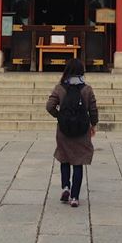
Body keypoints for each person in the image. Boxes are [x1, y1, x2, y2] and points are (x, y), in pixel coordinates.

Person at [45, 58, 99, 208]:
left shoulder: (60, 88)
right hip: (82, 130)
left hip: (64, 130)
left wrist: (60, 116)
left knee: (65, 158)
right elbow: (93, 110)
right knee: (78, 162)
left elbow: (49, 106)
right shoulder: (87, 89)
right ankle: (75, 197)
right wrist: (93, 124)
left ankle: (65, 187)